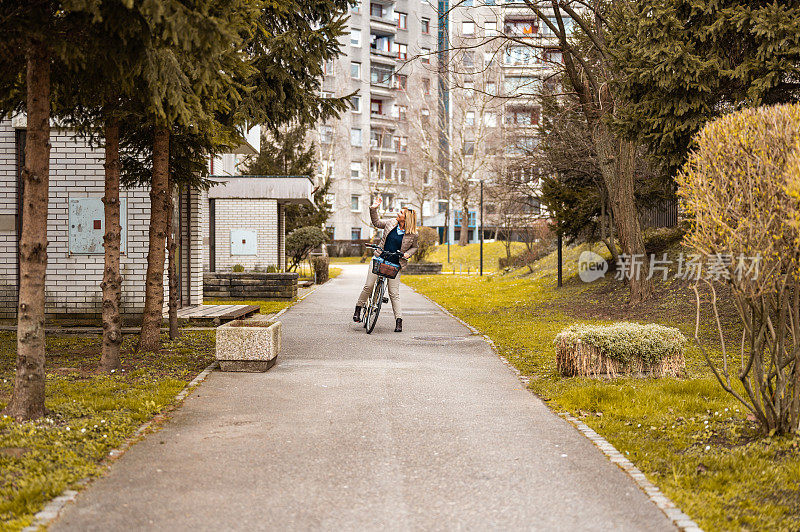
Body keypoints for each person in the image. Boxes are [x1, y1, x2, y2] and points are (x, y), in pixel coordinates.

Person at [353, 196, 418, 332]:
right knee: (368, 286)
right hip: (379, 259)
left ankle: (399, 321)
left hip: (395, 265)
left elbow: (414, 247)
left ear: (406, 219)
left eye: (401, 213)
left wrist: (408, 254)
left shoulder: (413, 234)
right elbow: (376, 222)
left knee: (394, 293)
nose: (397, 213)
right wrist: (374, 208)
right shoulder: (390, 223)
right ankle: (358, 309)